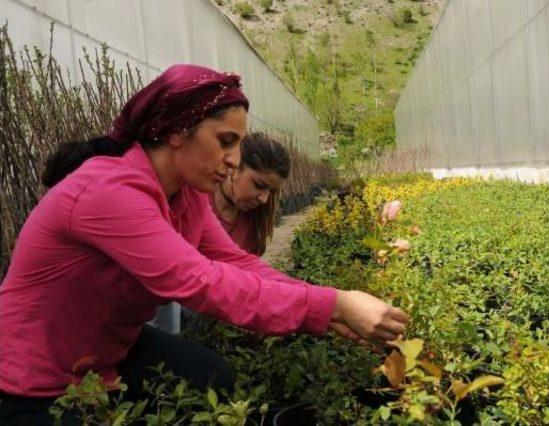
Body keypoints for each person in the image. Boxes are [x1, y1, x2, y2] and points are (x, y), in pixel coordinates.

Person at [0, 64, 408, 425]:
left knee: (210, 376)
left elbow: (234, 261)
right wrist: (332, 304)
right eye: (225, 140)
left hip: (106, 351)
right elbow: (200, 282)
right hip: (33, 379)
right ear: (177, 131)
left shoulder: (186, 194)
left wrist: (327, 308)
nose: (233, 159)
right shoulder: (110, 190)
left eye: (238, 145)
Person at [212, 131, 290, 256]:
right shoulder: (195, 201)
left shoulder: (254, 221)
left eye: (271, 191)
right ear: (234, 168)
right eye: (259, 185)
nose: (264, 199)